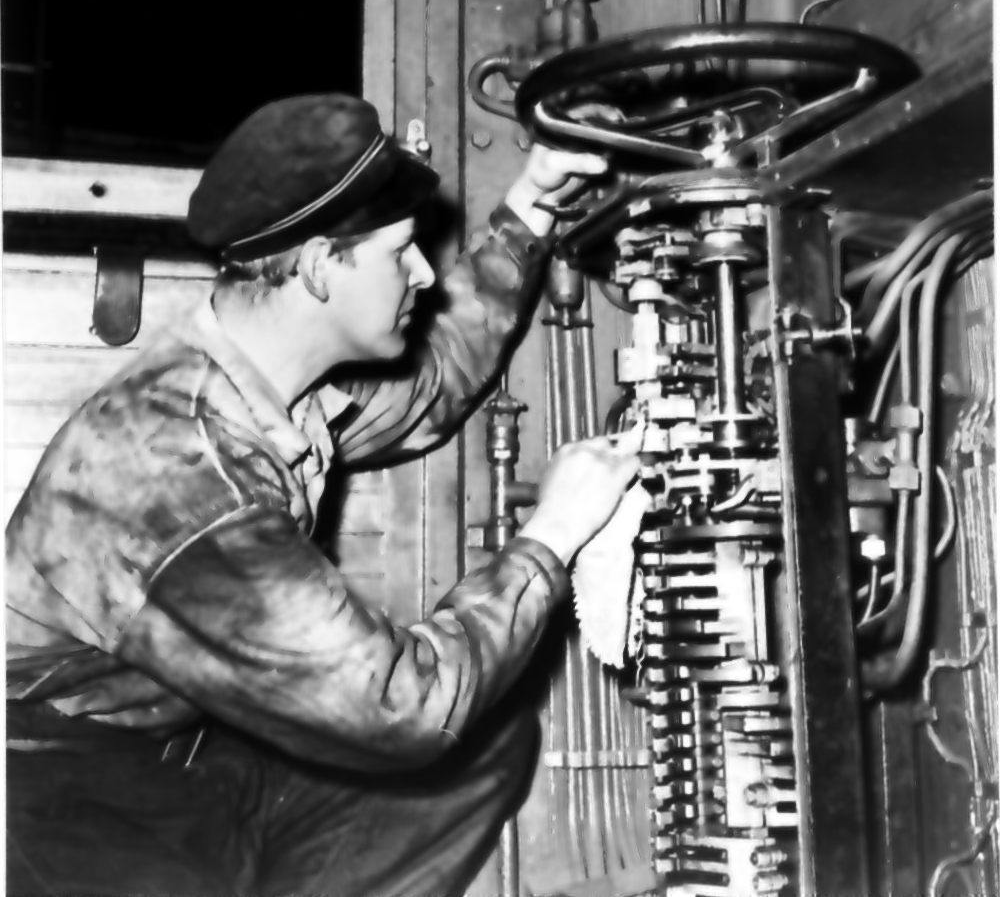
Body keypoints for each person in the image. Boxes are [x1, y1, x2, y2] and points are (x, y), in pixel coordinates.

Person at [6, 93, 639, 897]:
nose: (422, 273)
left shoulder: (265, 377)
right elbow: (403, 709)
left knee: (483, 743)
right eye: (401, 252)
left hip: (185, 753)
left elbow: (432, 384)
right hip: (55, 790)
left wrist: (532, 210)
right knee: (430, 722)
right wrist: (552, 536)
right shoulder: (185, 477)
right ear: (315, 265)